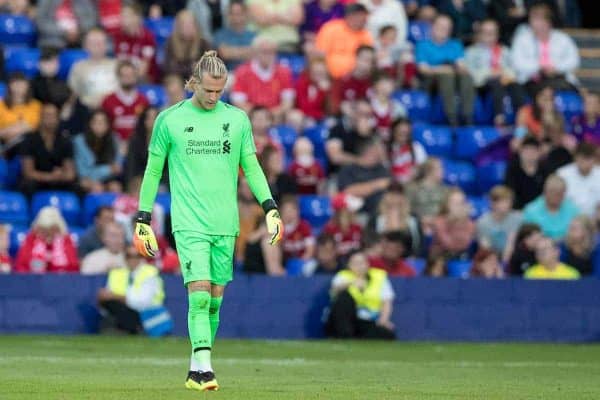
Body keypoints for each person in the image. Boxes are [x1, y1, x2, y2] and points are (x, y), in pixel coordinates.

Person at [133, 51, 283, 391]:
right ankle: (204, 368)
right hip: (188, 222)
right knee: (199, 295)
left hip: (225, 223)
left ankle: (196, 366)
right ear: (194, 83)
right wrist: (143, 217)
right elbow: (153, 170)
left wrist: (270, 207)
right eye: (209, 90)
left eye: (220, 91)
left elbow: (252, 167)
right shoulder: (169, 120)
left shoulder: (238, 120)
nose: (214, 97)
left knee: (214, 299)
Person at [416, 14, 475, 126]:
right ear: (432, 27)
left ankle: (468, 117)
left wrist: (454, 69)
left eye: (447, 27)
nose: (443, 29)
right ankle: (451, 118)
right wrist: (446, 69)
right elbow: (423, 69)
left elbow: (462, 67)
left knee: (466, 77)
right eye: (440, 26)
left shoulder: (455, 44)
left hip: (453, 77)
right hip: (431, 81)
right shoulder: (423, 45)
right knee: (446, 76)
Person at [464, 19, 524, 126]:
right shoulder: (471, 52)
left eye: (493, 33)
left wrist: (505, 73)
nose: (489, 36)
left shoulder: (504, 50)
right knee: (496, 83)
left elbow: (514, 70)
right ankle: (499, 118)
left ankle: (522, 119)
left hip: (504, 80)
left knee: (516, 86)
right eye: (486, 33)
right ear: (480, 34)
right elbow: (470, 73)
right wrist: (490, 72)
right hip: (482, 84)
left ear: (497, 35)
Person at [511, 3, 580, 94]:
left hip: (559, 78)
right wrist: (540, 67)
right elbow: (518, 63)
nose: (535, 23)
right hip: (531, 80)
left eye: (539, 20)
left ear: (549, 21)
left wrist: (555, 67)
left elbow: (573, 61)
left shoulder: (563, 38)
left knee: (566, 89)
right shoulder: (522, 39)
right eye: (533, 19)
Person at [325, 251, 396, 339]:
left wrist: (383, 320)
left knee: (386, 334)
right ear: (349, 265)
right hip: (347, 320)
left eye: (362, 262)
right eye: (355, 263)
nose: (359, 266)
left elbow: (387, 301)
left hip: (368, 320)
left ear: (367, 264)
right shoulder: (343, 276)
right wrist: (351, 283)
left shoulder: (379, 276)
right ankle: (344, 335)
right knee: (344, 298)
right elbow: (334, 291)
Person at [97, 245, 167, 334]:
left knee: (117, 306)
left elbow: (143, 302)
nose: (133, 259)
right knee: (111, 304)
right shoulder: (116, 273)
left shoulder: (150, 273)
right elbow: (107, 297)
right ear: (125, 257)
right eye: (129, 256)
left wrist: (117, 297)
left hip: (148, 314)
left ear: (141, 257)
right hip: (122, 311)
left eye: (137, 256)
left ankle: (133, 329)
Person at [230, 37, 295, 121]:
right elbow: (239, 102)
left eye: (271, 52)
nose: (268, 55)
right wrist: (258, 115)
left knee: (295, 117)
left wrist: (271, 114)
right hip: (251, 115)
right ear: (255, 53)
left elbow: (287, 102)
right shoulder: (242, 72)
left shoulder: (284, 72)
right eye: (264, 52)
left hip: (276, 115)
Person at [19, 103, 77, 197]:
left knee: (76, 187)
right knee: (28, 185)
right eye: (46, 115)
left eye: (53, 116)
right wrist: (50, 177)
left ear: (58, 119)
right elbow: (28, 172)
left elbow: (70, 173)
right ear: (40, 117)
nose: (50, 119)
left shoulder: (65, 141)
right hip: (38, 180)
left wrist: (62, 175)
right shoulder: (29, 140)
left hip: (58, 180)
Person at [315, 3, 374, 79]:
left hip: (354, 78)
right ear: (348, 16)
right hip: (328, 77)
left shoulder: (366, 35)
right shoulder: (331, 28)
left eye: (363, 18)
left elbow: (367, 60)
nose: (361, 20)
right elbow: (320, 54)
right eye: (357, 17)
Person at [14, 206, 79, 273]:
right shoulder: (31, 239)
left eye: (51, 230)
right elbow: (20, 267)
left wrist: (53, 261)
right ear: (38, 228)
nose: (48, 234)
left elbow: (74, 268)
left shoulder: (66, 239)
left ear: (58, 228)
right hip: (33, 281)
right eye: (44, 230)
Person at [337, 138, 392, 215]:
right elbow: (348, 192)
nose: (379, 154)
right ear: (366, 151)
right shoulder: (349, 169)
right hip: (354, 214)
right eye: (375, 151)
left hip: (380, 213)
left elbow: (390, 188)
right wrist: (377, 185)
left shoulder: (382, 170)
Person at [101, 60, 150, 145]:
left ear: (136, 76)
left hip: (139, 146)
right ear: (118, 77)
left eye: (131, 75)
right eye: (124, 75)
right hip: (114, 146)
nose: (128, 78)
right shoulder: (108, 101)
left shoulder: (144, 100)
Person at [73, 109, 122, 193]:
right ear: (89, 124)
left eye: (103, 122)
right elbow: (83, 173)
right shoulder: (79, 141)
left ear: (108, 125)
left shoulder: (114, 139)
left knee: (115, 187)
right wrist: (108, 169)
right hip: (86, 180)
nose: (99, 125)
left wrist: (108, 171)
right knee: (95, 187)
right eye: (95, 122)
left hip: (109, 179)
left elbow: (117, 168)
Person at [370, 183, 422, 256]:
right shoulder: (376, 218)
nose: (394, 197)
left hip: (408, 257)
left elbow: (419, 242)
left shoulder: (412, 219)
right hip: (380, 256)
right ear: (385, 196)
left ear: (404, 197)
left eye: (398, 194)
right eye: (391, 194)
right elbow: (370, 240)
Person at [522, 174, 580, 240]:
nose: (556, 197)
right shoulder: (530, 211)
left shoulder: (573, 209)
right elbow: (527, 238)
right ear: (545, 192)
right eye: (553, 192)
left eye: (560, 193)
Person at [112, 2, 159, 82]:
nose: (122, 19)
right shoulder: (118, 36)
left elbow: (143, 70)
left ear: (137, 17)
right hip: (123, 77)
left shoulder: (147, 37)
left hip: (144, 79)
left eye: (126, 16)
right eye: (121, 15)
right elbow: (118, 63)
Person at [0, 72, 41, 154]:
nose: (19, 86)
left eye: (22, 83)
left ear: (28, 85)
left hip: (29, 145)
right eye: (16, 83)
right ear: (9, 85)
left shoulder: (36, 105)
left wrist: (9, 130)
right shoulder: (1, 105)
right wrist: (20, 127)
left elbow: (32, 127)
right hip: (4, 144)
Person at [476, 185, 522, 257]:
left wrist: (505, 264)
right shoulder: (482, 222)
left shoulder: (518, 218)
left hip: (514, 257)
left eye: (508, 201)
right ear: (492, 203)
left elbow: (512, 244)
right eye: (502, 202)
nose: (507, 205)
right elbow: (485, 247)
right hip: (492, 257)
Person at [406, 157, 449, 234]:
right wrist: (421, 220)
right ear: (429, 171)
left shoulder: (446, 190)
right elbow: (406, 210)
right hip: (418, 225)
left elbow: (448, 211)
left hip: (440, 227)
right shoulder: (413, 189)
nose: (443, 171)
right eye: (440, 168)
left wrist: (436, 222)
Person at [163, 9, 211, 79]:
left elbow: (210, 64)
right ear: (178, 27)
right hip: (177, 79)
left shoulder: (203, 43)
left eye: (190, 24)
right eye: (184, 25)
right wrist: (190, 68)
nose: (188, 28)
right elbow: (168, 67)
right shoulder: (170, 43)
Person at [430, 187, 476, 259]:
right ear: (447, 205)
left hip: (461, 257)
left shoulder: (469, 222)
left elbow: (466, 244)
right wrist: (455, 222)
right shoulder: (439, 221)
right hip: (441, 259)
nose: (459, 206)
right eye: (455, 203)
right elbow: (448, 244)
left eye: (461, 203)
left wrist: (461, 221)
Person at [331, 45, 377, 115]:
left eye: (369, 61)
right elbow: (333, 104)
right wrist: (341, 106)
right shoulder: (342, 81)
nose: (365, 63)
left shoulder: (374, 82)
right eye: (363, 59)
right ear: (356, 58)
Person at [557, 143, 600, 216]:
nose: (585, 162)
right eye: (582, 158)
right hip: (567, 218)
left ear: (594, 159)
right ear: (575, 158)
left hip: (594, 221)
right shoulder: (562, 174)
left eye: (588, 158)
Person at [504, 136, 546, 209]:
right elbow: (510, 193)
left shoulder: (545, 169)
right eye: (526, 151)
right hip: (518, 210)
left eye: (533, 151)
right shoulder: (513, 169)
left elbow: (547, 193)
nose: (530, 155)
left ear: (539, 153)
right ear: (520, 151)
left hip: (540, 210)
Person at [213, 0, 256, 70]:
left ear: (245, 14)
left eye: (239, 13)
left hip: (249, 74)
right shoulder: (220, 34)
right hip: (229, 74)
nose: (235, 17)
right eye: (232, 13)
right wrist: (247, 51)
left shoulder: (253, 35)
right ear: (227, 15)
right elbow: (225, 54)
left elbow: (255, 54)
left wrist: (232, 51)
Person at [125, 107, 161, 185]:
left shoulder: (166, 140)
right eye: (148, 118)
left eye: (155, 118)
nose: (152, 121)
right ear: (143, 120)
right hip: (139, 179)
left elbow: (168, 168)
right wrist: (132, 182)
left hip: (160, 180)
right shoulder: (135, 140)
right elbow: (131, 165)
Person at [323, 193, 363, 259]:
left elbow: (362, 247)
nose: (353, 211)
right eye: (349, 208)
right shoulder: (329, 229)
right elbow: (328, 251)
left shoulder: (357, 227)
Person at [369, 73, 407, 140]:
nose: (386, 86)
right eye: (383, 83)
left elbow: (402, 130)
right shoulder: (368, 104)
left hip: (390, 143)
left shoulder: (398, 108)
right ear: (375, 85)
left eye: (389, 83)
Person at [389, 117, 427, 183]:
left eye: (406, 133)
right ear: (393, 132)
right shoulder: (387, 148)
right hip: (392, 185)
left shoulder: (416, 147)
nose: (403, 137)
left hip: (413, 184)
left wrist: (417, 172)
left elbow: (423, 168)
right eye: (400, 133)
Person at [294, 56, 332, 122]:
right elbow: (304, 107)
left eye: (321, 73)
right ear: (310, 71)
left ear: (326, 73)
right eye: (315, 72)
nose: (318, 75)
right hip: (304, 119)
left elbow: (332, 111)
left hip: (322, 120)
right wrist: (321, 91)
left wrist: (327, 92)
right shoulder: (301, 84)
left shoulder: (331, 87)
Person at [279, 195, 315, 262]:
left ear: (298, 211)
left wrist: (301, 263)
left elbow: (310, 249)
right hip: (284, 262)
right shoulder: (277, 227)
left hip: (301, 261)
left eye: (291, 210)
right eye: (286, 211)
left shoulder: (304, 226)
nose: (288, 214)